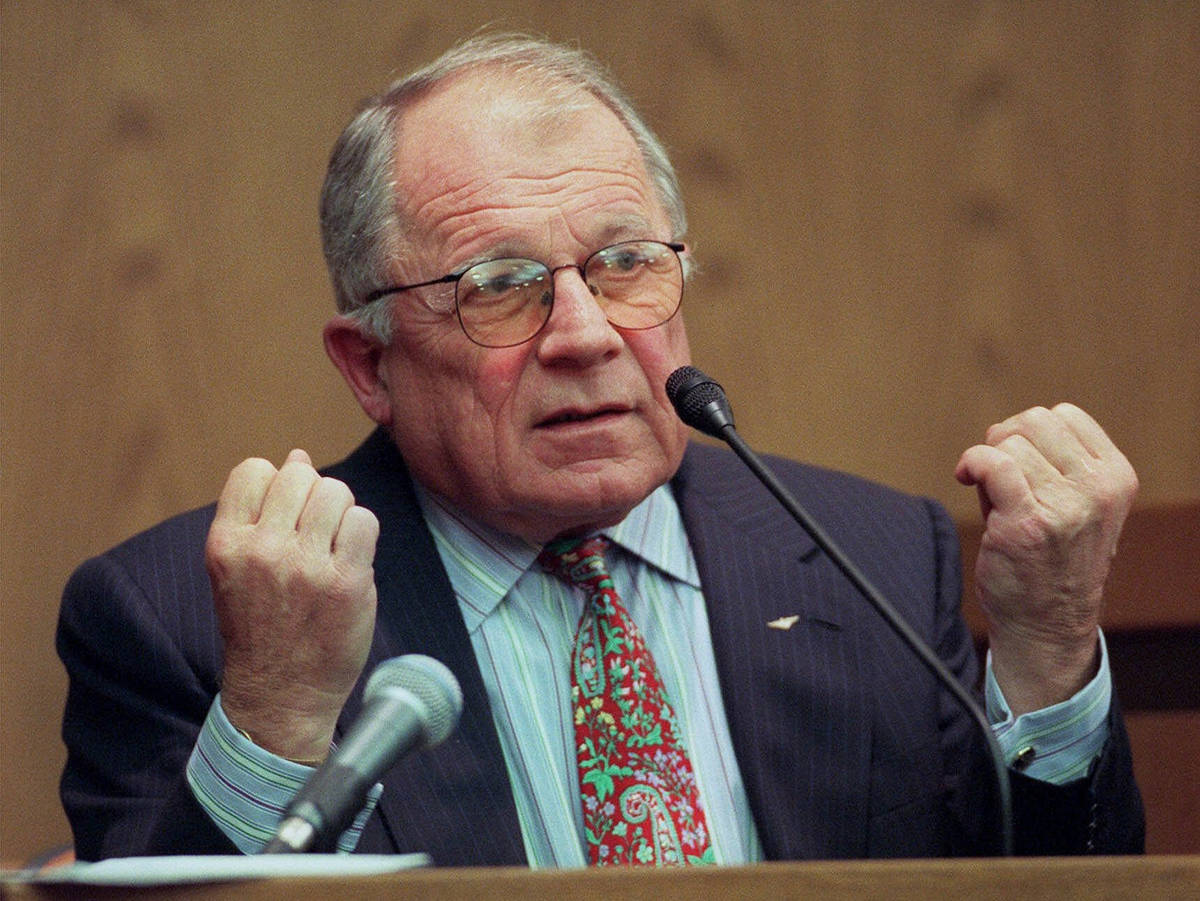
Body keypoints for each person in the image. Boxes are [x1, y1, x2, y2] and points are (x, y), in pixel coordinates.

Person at [58, 34, 1143, 866]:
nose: (585, 333)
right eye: (499, 287)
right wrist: (278, 720)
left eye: (625, 264)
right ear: (370, 365)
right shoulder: (187, 616)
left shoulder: (875, 559)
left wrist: (1047, 655)